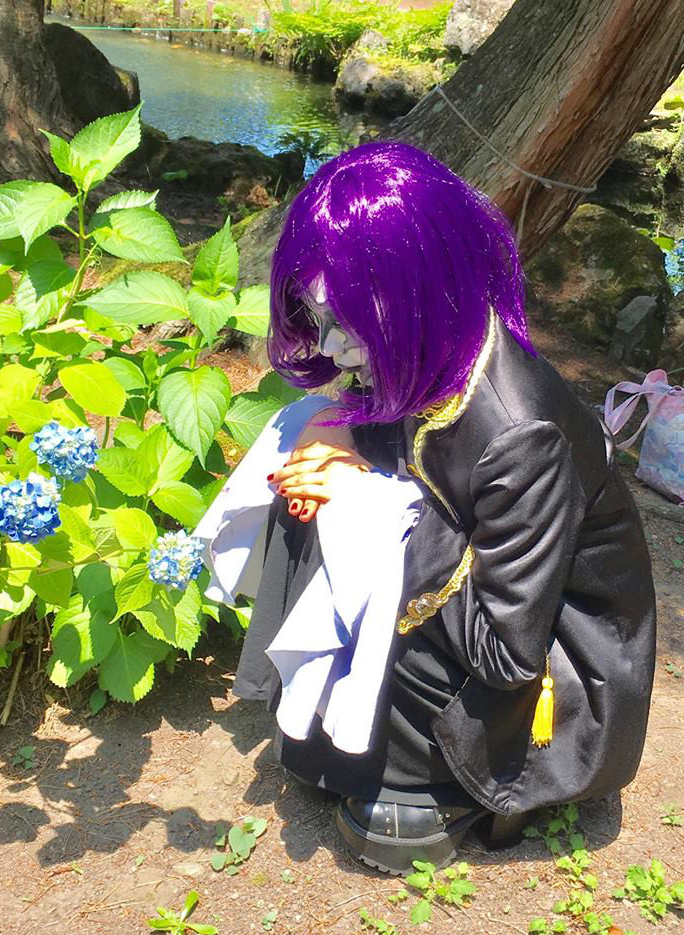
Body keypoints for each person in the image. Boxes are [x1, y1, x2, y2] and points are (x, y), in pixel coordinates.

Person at [202, 141, 657, 876]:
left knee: (346, 525)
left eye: (349, 322)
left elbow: (506, 651)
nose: (333, 348)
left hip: (556, 667)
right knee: (304, 487)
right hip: (478, 596)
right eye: (318, 317)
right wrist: (343, 442)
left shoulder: (522, 433)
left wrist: (372, 514)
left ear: (419, 294)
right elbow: (414, 459)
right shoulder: (429, 351)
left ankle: (446, 788)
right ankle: (338, 731)